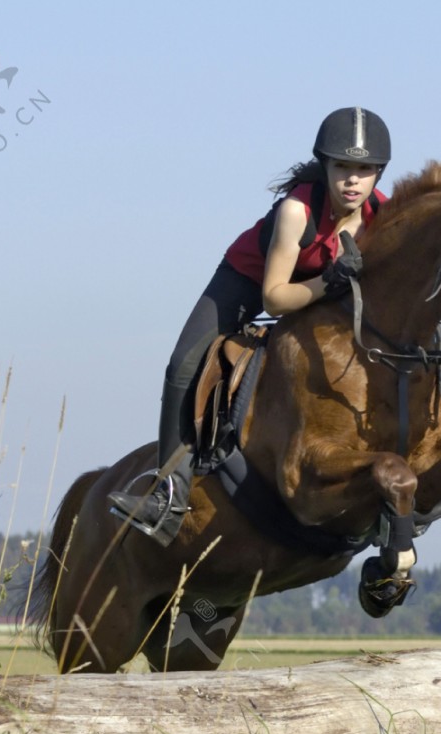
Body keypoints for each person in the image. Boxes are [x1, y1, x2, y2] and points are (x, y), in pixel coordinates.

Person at [109, 106, 392, 542]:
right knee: (183, 363)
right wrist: (330, 279)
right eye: (342, 167)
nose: (352, 180)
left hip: (321, 289)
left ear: (378, 174)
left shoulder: (382, 217)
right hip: (249, 280)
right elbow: (275, 298)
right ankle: (168, 492)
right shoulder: (297, 211)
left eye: (364, 170)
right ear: (325, 166)